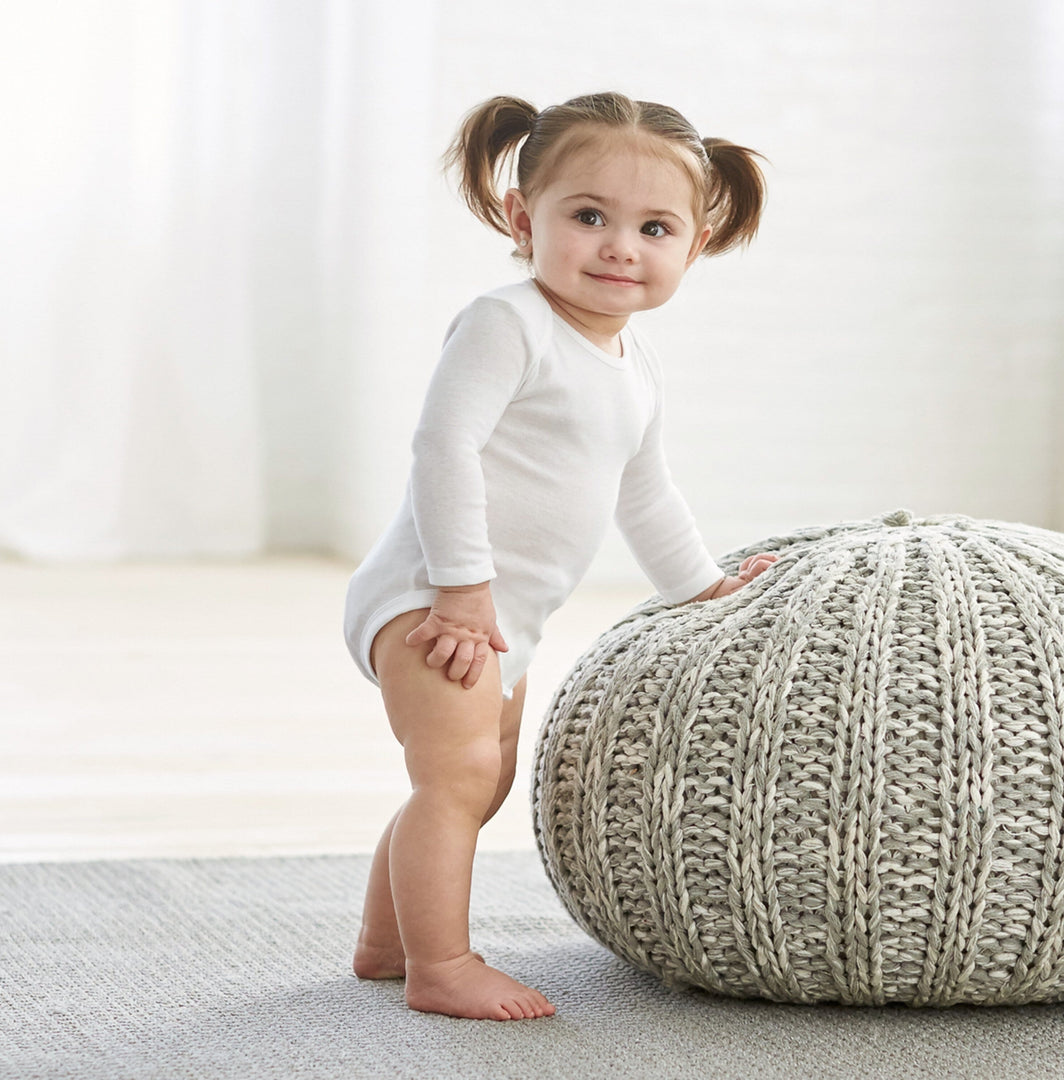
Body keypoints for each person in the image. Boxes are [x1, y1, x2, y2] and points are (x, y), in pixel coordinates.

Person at [344, 91, 776, 1021]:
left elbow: (645, 493)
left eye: (653, 228)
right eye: (588, 216)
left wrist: (702, 588)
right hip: (434, 597)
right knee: (456, 776)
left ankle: (386, 942)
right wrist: (461, 591)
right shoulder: (508, 324)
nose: (620, 246)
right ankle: (441, 965)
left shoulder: (634, 366)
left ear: (694, 245)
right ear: (521, 218)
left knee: (478, 782)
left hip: (503, 617)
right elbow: (444, 448)